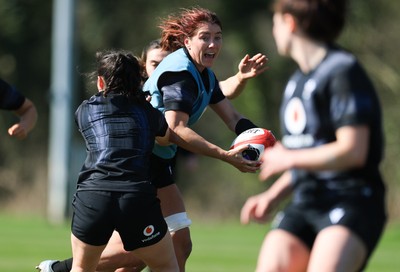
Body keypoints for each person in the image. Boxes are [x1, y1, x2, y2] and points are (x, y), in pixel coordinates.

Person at [36, 13, 269, 271]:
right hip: (144, 161)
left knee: (174, 244)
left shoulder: (202, 73)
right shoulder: (180, 75)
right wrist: (225, 156)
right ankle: (62, 269)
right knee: (158, 247)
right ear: (187, 41)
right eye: (205, 37)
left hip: (159, 161)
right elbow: (176, 129)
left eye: (218, 37)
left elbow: (233, 116)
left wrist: (268, 143)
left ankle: (66, 268)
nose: (213, 44)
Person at [240, 0, 387, 271]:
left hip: (352, 199)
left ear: (290, 23)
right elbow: (305, 155)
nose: (274, 30)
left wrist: (289, 158)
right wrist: (272, 195)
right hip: (307, 200)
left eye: (275, 22)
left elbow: (354, 151)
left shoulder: (342, 71)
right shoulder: (296, 82)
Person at [67, 49, 180, 272]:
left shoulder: (85, 110)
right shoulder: (147, 112)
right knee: (167, 266)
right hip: (136, 198)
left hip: (93, 197)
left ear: (101, 82)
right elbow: (167, 138)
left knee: (81, 268)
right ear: (138, 81)